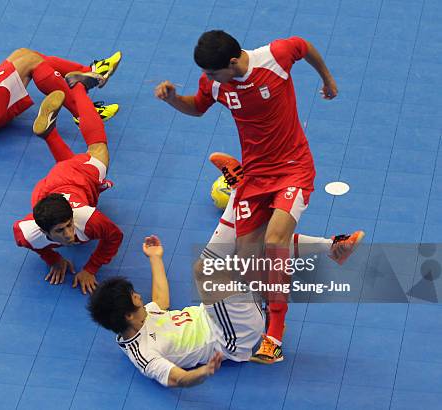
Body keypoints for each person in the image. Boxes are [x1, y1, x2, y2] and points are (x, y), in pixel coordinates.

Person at [155, 30, 363, 364]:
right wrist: (172, 100)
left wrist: (328, 80)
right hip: (257, 176)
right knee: (252, 264)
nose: (206, 79)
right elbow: (197, 107)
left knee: (275, 239)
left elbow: (304, 45)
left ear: (233, 61)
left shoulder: (275, 57)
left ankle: (275, 335)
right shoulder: (215, 84)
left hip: (294, 167)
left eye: (212, 73)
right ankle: (332, 247)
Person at [88, 235, 265, 387]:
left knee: (229, 256)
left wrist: (155, 257)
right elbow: (178, 379)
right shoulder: (144, 353)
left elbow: (160, 300)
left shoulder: (141, 318)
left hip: (218, 314)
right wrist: (204, 371)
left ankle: (266, 306)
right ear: (128, 316)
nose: (140, 297)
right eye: (134, 296)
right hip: (230, 335)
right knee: (207, 270)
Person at [13, 81, 122, 295]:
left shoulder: (90, 219)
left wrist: (91, 268)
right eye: (61, 231)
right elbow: (32, 244)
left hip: (78, 178)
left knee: (97, 148)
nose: (70, 233)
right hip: (49, 187)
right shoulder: (26, 233)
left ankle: (79, 87)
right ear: (43, 231)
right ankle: (52, 130)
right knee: (79, 156)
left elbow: (114, 236)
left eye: (69, 225)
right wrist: (52, 259)